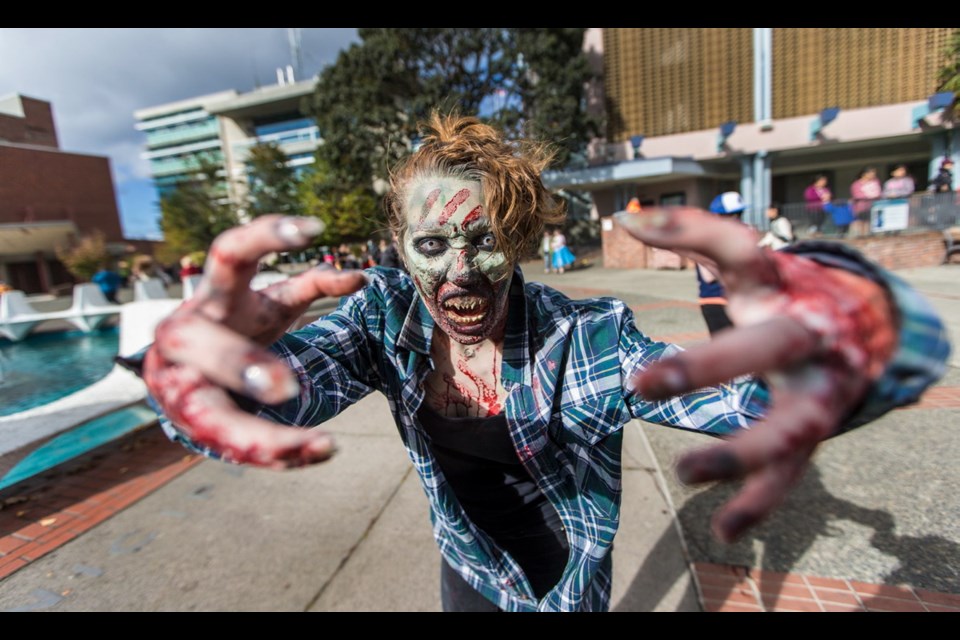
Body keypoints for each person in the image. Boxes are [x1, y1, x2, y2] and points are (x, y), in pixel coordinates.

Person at [125, 112, 949, 612]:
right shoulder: (382, 316)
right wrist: (195, 375)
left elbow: (748, 412)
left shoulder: (586, 339)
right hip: (470, 568)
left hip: (569, 586)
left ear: (517, 239)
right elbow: (271, 404)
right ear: (400, 248)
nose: (457, 271)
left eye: (483, 242)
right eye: (433, 243)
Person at [695, 191, 746, 335]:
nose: (738, 219)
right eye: (732, 215)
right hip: (716, 301)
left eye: (740, 214)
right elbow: (708, 276)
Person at [850, 167, 882, 236]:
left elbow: (879, 192)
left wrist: (876, 196)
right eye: (871, 173)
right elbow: (857, 195)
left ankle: (870, 234)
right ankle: (862, 235)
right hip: (861, 206)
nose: (873, 175)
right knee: (862, 221)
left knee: (872, 220)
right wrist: (869, 197)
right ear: (864, 174)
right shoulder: (857, 184)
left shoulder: (875, 181)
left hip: (874, 205)